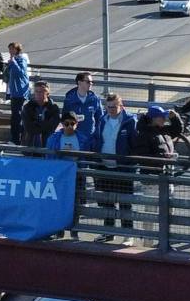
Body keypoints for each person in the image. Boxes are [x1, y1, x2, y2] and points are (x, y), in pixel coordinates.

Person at [131, 105, 179, 251]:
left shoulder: (162, 130)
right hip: (152, 178)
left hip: (165, 176)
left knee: (168, 212)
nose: (164, 119)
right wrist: (164, 158)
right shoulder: (144, 134)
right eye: (161, 117)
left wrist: (174, 117)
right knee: (151, 212)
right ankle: (147, 243)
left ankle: (164, 241)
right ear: (153, 119)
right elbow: (143, 157)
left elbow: (177, 130)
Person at [91, 93, 136, 240]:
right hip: (104, 167)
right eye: (108, 107)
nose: (110, 110)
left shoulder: (130, 121)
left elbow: (134, 144)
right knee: (107, 202)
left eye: (114, 107)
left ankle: (128, 235)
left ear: (121, 105)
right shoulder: (102, 120)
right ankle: (108, 232)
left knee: (125, 203)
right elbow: (97, 139)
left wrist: (130, 163)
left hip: (123, 168)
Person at [4, 42, 33, 143]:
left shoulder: (21, 59)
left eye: (11, 49)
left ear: (17, 50)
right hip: (14, 92)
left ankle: (17, 140)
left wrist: (13, 63)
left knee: (17, 117)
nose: (10, 51)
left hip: (20, 93)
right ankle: (15, 139)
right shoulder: (15, 60)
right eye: (9, 49)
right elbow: (7, 75)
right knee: (15, 117)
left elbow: (21, 72)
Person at [62, 72, 105, 142]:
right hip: (74, 139)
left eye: (92, 82)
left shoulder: (95, 99)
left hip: (90, 139)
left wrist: (97, 136)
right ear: (79, 82)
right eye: (88, 82)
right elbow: (65, 120)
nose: (91, 84)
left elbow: (100, 119)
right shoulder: (69, 100)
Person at [19, 79, 61, 148]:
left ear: (48, 93)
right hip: (29, 146)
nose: (38, 93)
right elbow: (28, 128)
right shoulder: (27, 107)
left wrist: (36, 124)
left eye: (41, 91)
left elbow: (51, 127)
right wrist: (44, 124)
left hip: (48, 147)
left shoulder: (54, 108)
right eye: (36, 91)